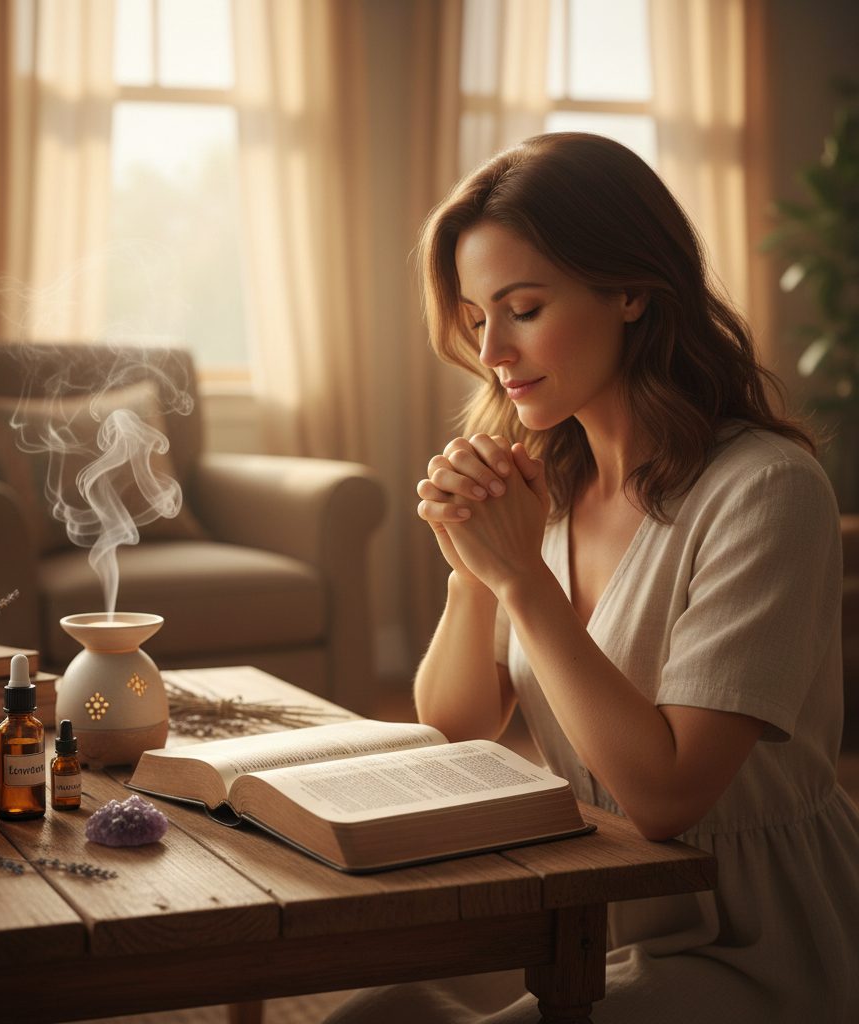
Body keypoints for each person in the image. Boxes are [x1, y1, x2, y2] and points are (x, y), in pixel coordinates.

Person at [327, 133, 859, 1023]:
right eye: (476, 318)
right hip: (590, 901)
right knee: (372, 1014)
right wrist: (474, 571)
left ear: (631, 291)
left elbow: (666, 797)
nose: (494, 350)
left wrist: (523, 582)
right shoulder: (550, 479)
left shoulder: (767, 491)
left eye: (524, 309)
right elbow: (454, 725)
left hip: (748, 935)